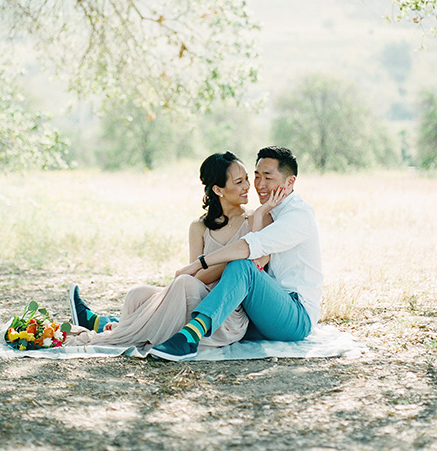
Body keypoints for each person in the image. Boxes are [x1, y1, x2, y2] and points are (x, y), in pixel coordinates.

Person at [64, 151, 272, 353]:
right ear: (218, 190)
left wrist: (213, 263)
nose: (247, 187)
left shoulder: (256, 218)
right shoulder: (199, 227)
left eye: (246, 179)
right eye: (239, 182)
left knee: (183, 283)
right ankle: (110, 326)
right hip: (197, 296)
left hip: (225, 313)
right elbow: (198, 279)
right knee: (138, 295)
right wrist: (207, 268)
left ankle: (110, 329)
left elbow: (258, 261)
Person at [149, 146, 323, 361]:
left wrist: (198, 263)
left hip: (295, 315)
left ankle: (190, 338)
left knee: (242, 266)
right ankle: (118, 325)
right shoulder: (270, 211)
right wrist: (260, 212)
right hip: (260, 310)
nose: (259, 185)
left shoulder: (297, 216)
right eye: (257, 176)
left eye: (268, 177)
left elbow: (249, 248)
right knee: (173, 303)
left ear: (290, 182)